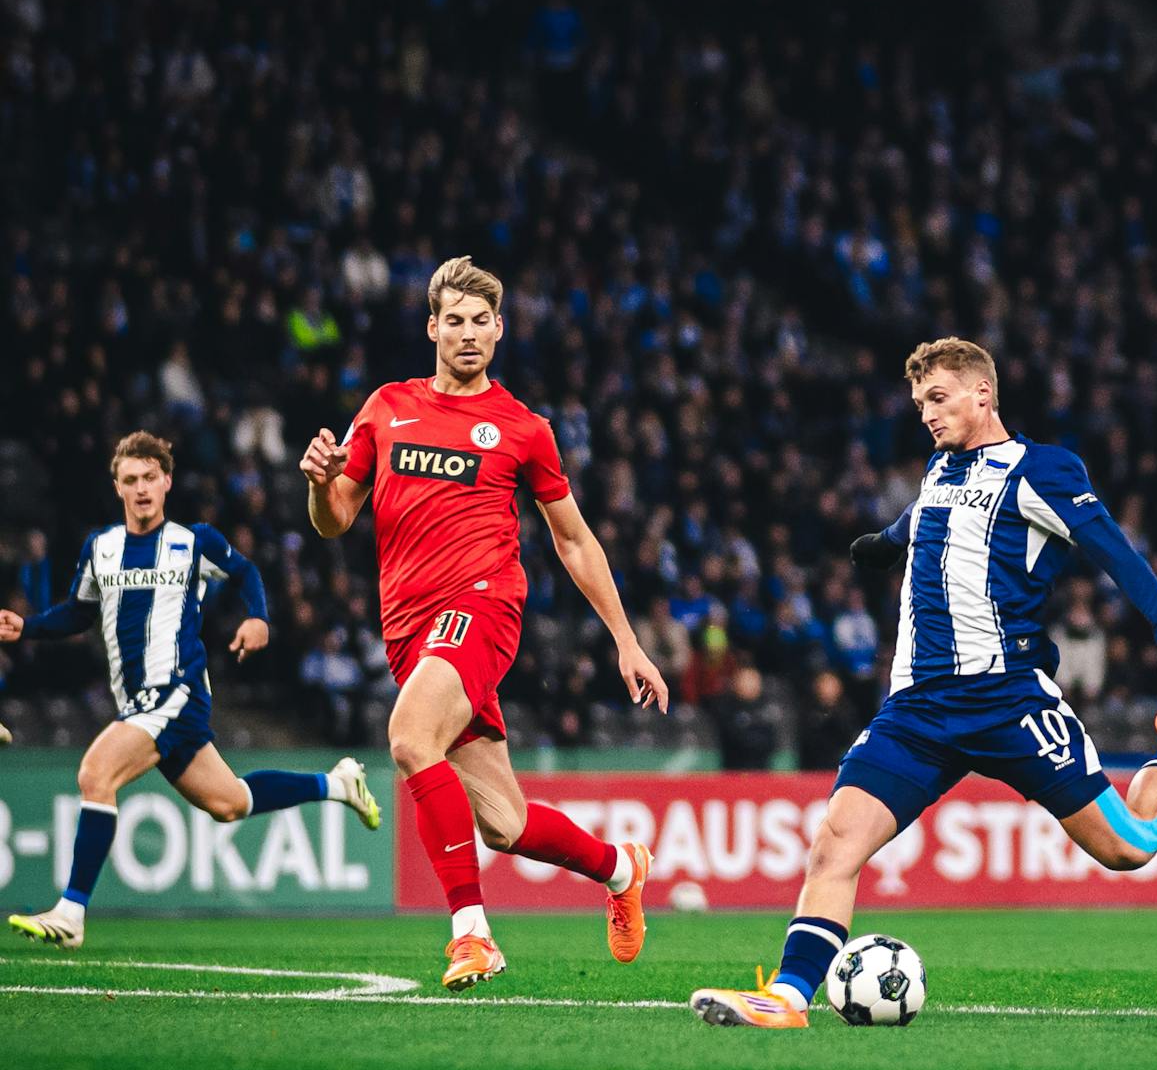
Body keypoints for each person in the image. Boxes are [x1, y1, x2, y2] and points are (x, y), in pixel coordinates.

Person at [690, 337, 1157, 1027]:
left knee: (1130, 847)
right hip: (917, 709)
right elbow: (929, 513)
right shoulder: (941, 467)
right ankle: (786, 997)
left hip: (1008, 701)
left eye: (938, 399)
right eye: (919, 403)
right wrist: (888, 539)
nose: (927, 415)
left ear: (982, 395)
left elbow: (1111, 544)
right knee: (833, 843)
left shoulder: (1042, 469)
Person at [299, 256, 670, 992]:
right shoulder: (385, 407)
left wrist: (628, 640)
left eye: (481, 322)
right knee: (503, 821)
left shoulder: (521, 428)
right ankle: (622, 868)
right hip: (409, 628)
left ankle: (472, 935)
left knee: (408, 737)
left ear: (499, 331)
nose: (468, 334)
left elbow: (573, 538)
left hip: (482, 606)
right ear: (431, 327)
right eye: (454, 321)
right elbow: (334, 519)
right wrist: (316, 482)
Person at [1, 432, 379, 950]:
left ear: (167, 482)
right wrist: (28, 628)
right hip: (136, 701)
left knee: (95, 773)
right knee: (230, 802)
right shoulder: (101, 548)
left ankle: (71, 912)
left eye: (149, 478)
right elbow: (79, 611)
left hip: (175, 692)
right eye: (130, 480)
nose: (141, 489)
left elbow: (244, 571)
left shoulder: (192, 541)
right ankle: (337, 784)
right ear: (117, 487)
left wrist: (259, 618)